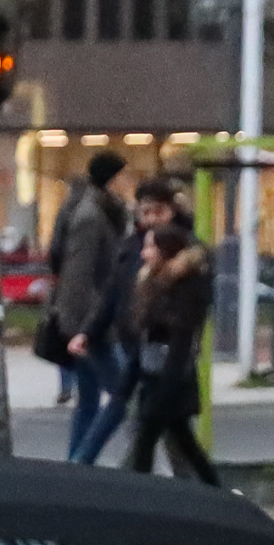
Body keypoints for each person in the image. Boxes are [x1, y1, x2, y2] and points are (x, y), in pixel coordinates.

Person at [66, 176, 194, 465]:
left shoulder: (183, 249)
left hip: (165, 345)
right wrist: (88, 331)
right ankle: (90, 465)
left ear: (171, 210)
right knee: (127, 407)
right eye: (145, 212)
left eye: (157, 212)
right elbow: (113, 293)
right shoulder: (132, 246)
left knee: (164, 420)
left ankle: (106, 467)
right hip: (134, 341)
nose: (150, 219)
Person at [122, 225, 218, 485]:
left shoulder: (186, 286)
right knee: (182, 440)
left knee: (147, 437)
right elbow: (138, 327)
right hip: (155, 372)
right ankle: (216, 489)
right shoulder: (152, 281)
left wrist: (168, 384)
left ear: (166, 251)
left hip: (170, 375)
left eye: (151, 247)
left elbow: (182, 338)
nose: (144, 254)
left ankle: (136, 494)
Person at [49, 151, 128, 461]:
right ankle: (82, 459)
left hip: (92, 321)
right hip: (92, 324)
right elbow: (78, 275)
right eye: (123, 176)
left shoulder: (104, 211)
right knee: (124, 395)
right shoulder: (91, 217)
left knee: (89, 399)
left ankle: (77, 463)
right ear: (111, 179)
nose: (128, 182)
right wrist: (83, 328)